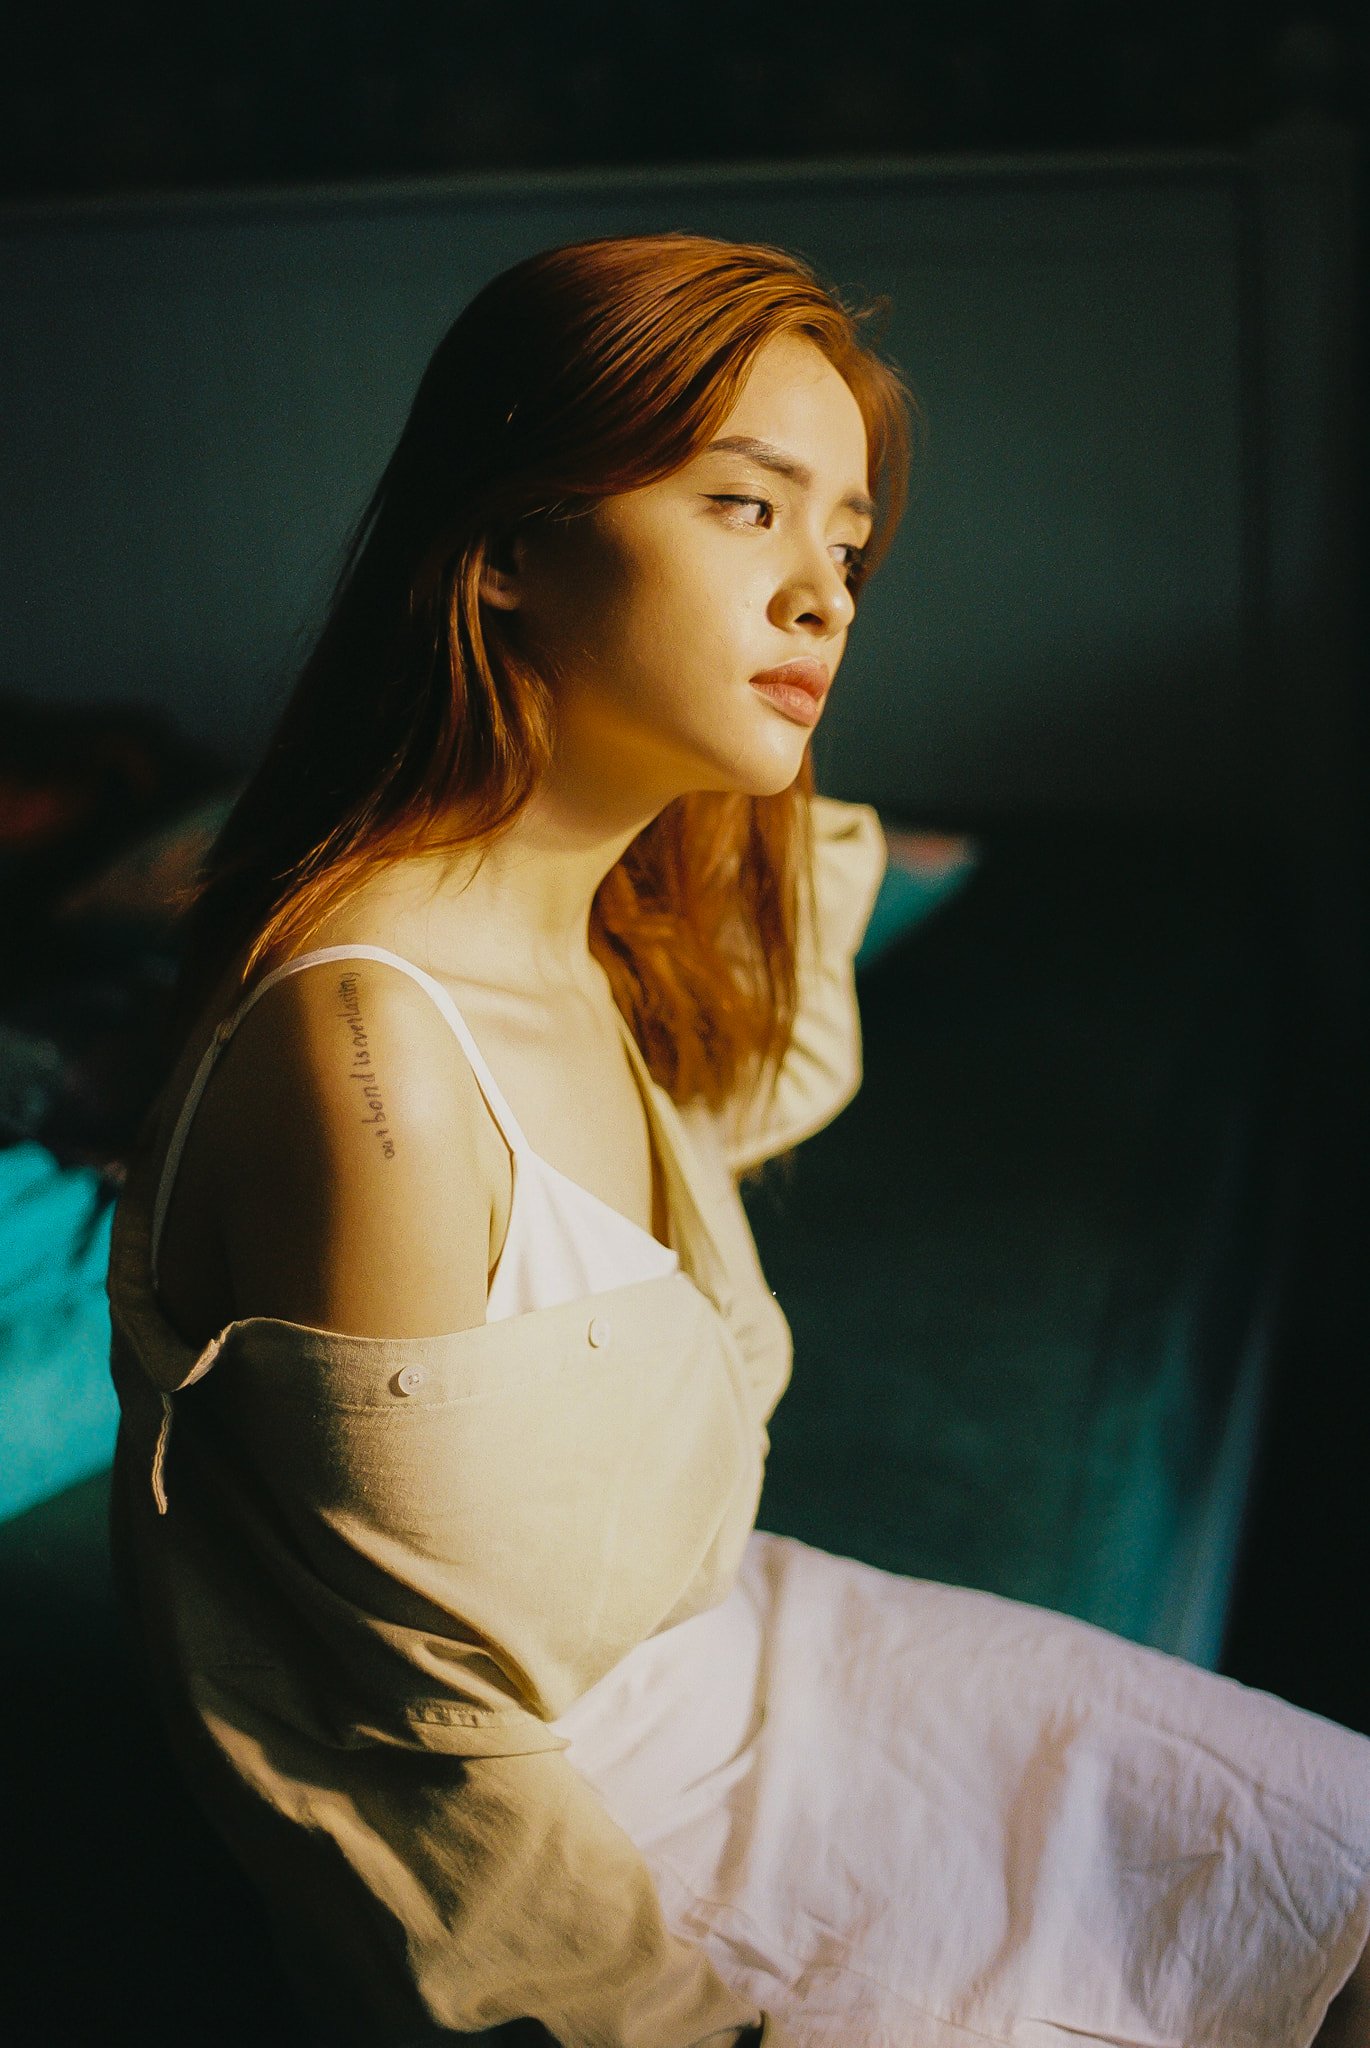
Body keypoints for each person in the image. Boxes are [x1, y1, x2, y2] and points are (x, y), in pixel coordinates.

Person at [106, 232, 1370, 2048]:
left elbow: (774, 1039)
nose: (825, 598)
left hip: (765, 1656)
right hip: (600, 1862)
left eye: (846, 546)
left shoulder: (599, 946)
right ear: (516, 541)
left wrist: (727, 771)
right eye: (742, 508)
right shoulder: (366, 1049)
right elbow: (424, 1769)